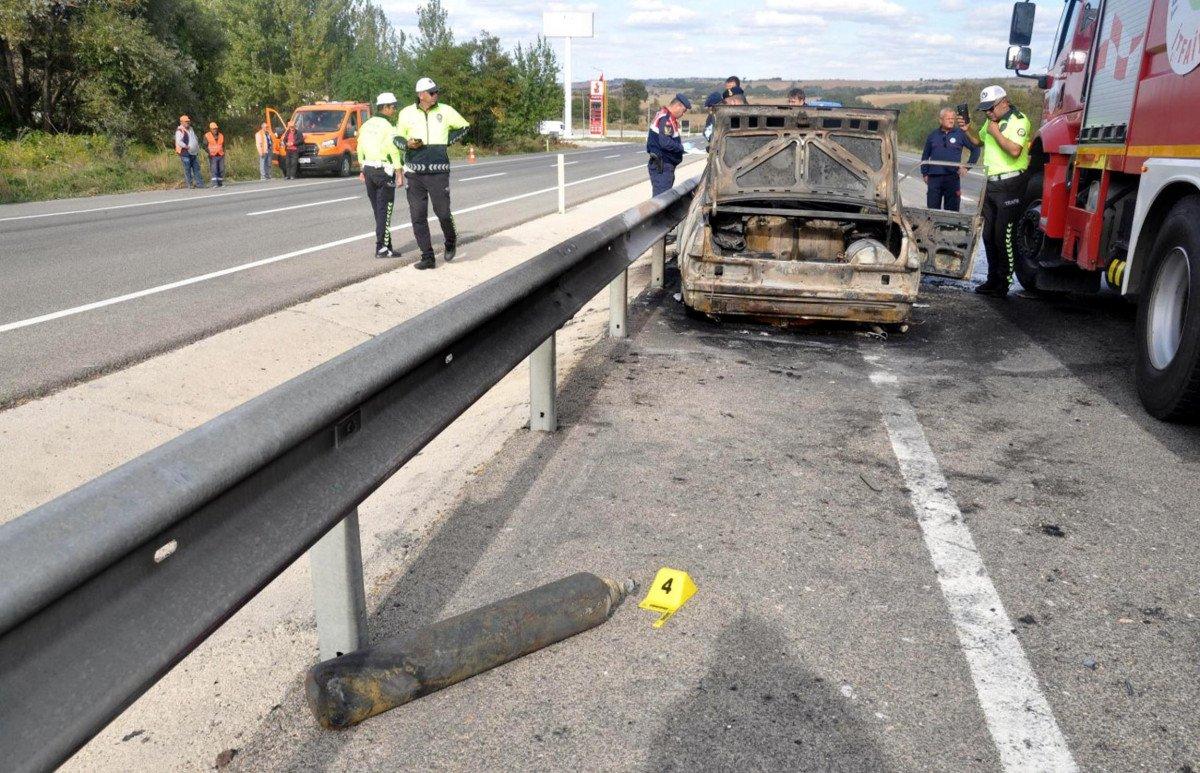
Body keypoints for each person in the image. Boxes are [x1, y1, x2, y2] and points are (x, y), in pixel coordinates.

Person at [961, 85, 1032, 297]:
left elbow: (1014, 150)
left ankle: (1004, 283)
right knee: (988, 235)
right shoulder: (990, 121)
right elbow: (978, 141)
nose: (988, 113)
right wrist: (968, 130)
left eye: (990, 108)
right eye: (984, 110)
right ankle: (992, 279)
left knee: (1004, 236)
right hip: (991, 183)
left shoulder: (1019, 120)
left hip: (1011, 184)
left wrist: (996, 132)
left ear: (1004, 102)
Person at [396, 77, 470, 270]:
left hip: (439, 172)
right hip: (414, 172)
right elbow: (396, 137)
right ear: (421, 95)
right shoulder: (406, 113)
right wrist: (407, 144)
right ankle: (428, 257)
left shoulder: (445, 111)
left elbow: (465, 126)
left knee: (443, 212)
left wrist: (447, 140)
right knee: (418, 216)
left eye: (436, 91)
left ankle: (450, 239)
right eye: (432, 92)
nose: (436, 95)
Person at [357, 92, 404, 259]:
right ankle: (381, 248)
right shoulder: (388, 127)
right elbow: (393, 149)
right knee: (385, 210)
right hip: (383, 170)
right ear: (384, 107)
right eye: (393, 106)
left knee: (378, 210)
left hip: (369, 169)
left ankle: (386, 246)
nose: (395, 109)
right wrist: (399, 172)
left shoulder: (366, 125)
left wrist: (362, 168)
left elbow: (360, 147)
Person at [921, 107, 979, 212]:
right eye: (948, 118)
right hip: (934, 178)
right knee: (932, 212)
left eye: (953, 118)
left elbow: (976, 149)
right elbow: (925, 156)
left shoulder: (960, 134)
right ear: (940, 120)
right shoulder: (932, 136)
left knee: (952, 212)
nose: (951, 120)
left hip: (952, 178)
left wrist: (967, 167)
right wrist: (925, 173)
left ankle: (950, 228)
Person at [647, 93, 691, 196]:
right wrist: (681, 147)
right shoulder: (666, 119)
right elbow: (665, 142)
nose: (683, 114)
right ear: (677, 106)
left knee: (663, 198)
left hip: (664, 166)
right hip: (662, 167)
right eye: (683, 111)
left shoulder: (666, 116)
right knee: (661, 201)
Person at [174, 115, 203, 189]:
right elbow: (178, 141)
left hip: (193, 152)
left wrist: (197, 146)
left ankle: (199, 184)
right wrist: (185, 146)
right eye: (186, 121)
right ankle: (190, 184)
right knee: (187, 169)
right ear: (181, 122)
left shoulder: (191, 129)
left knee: (196, 168)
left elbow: (195, 138)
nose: (188, 122)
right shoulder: (179, 131)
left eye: (188, 121)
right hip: (185, 153)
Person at [204, 121, 226, 187]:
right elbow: (205, 146)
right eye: (213, 129)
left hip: (220, 154)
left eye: (216, 128)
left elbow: (223, 145)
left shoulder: (221, 135)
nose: (215, 130)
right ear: (210, 129)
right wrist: (209, 152)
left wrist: (223, 151)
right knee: (214, 169)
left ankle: (220, 183)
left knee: (221, 169)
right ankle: (214, 184)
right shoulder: (207, 135)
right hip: (212, 155)